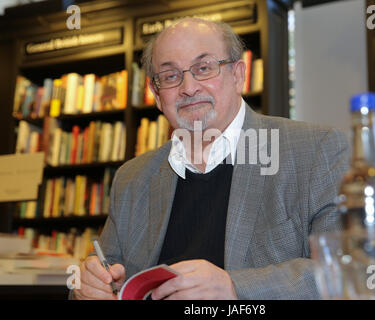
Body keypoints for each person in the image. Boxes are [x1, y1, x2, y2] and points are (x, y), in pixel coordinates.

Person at [73, 18, 349, 300]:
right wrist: (87, 288)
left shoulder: (317, 151)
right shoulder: (132, 178)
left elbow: (348, 270)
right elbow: (106, 275)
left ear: (238, 75)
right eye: (170, 76)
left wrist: (234, 288)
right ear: (157, 95)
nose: (189, 87)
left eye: (203, 68)